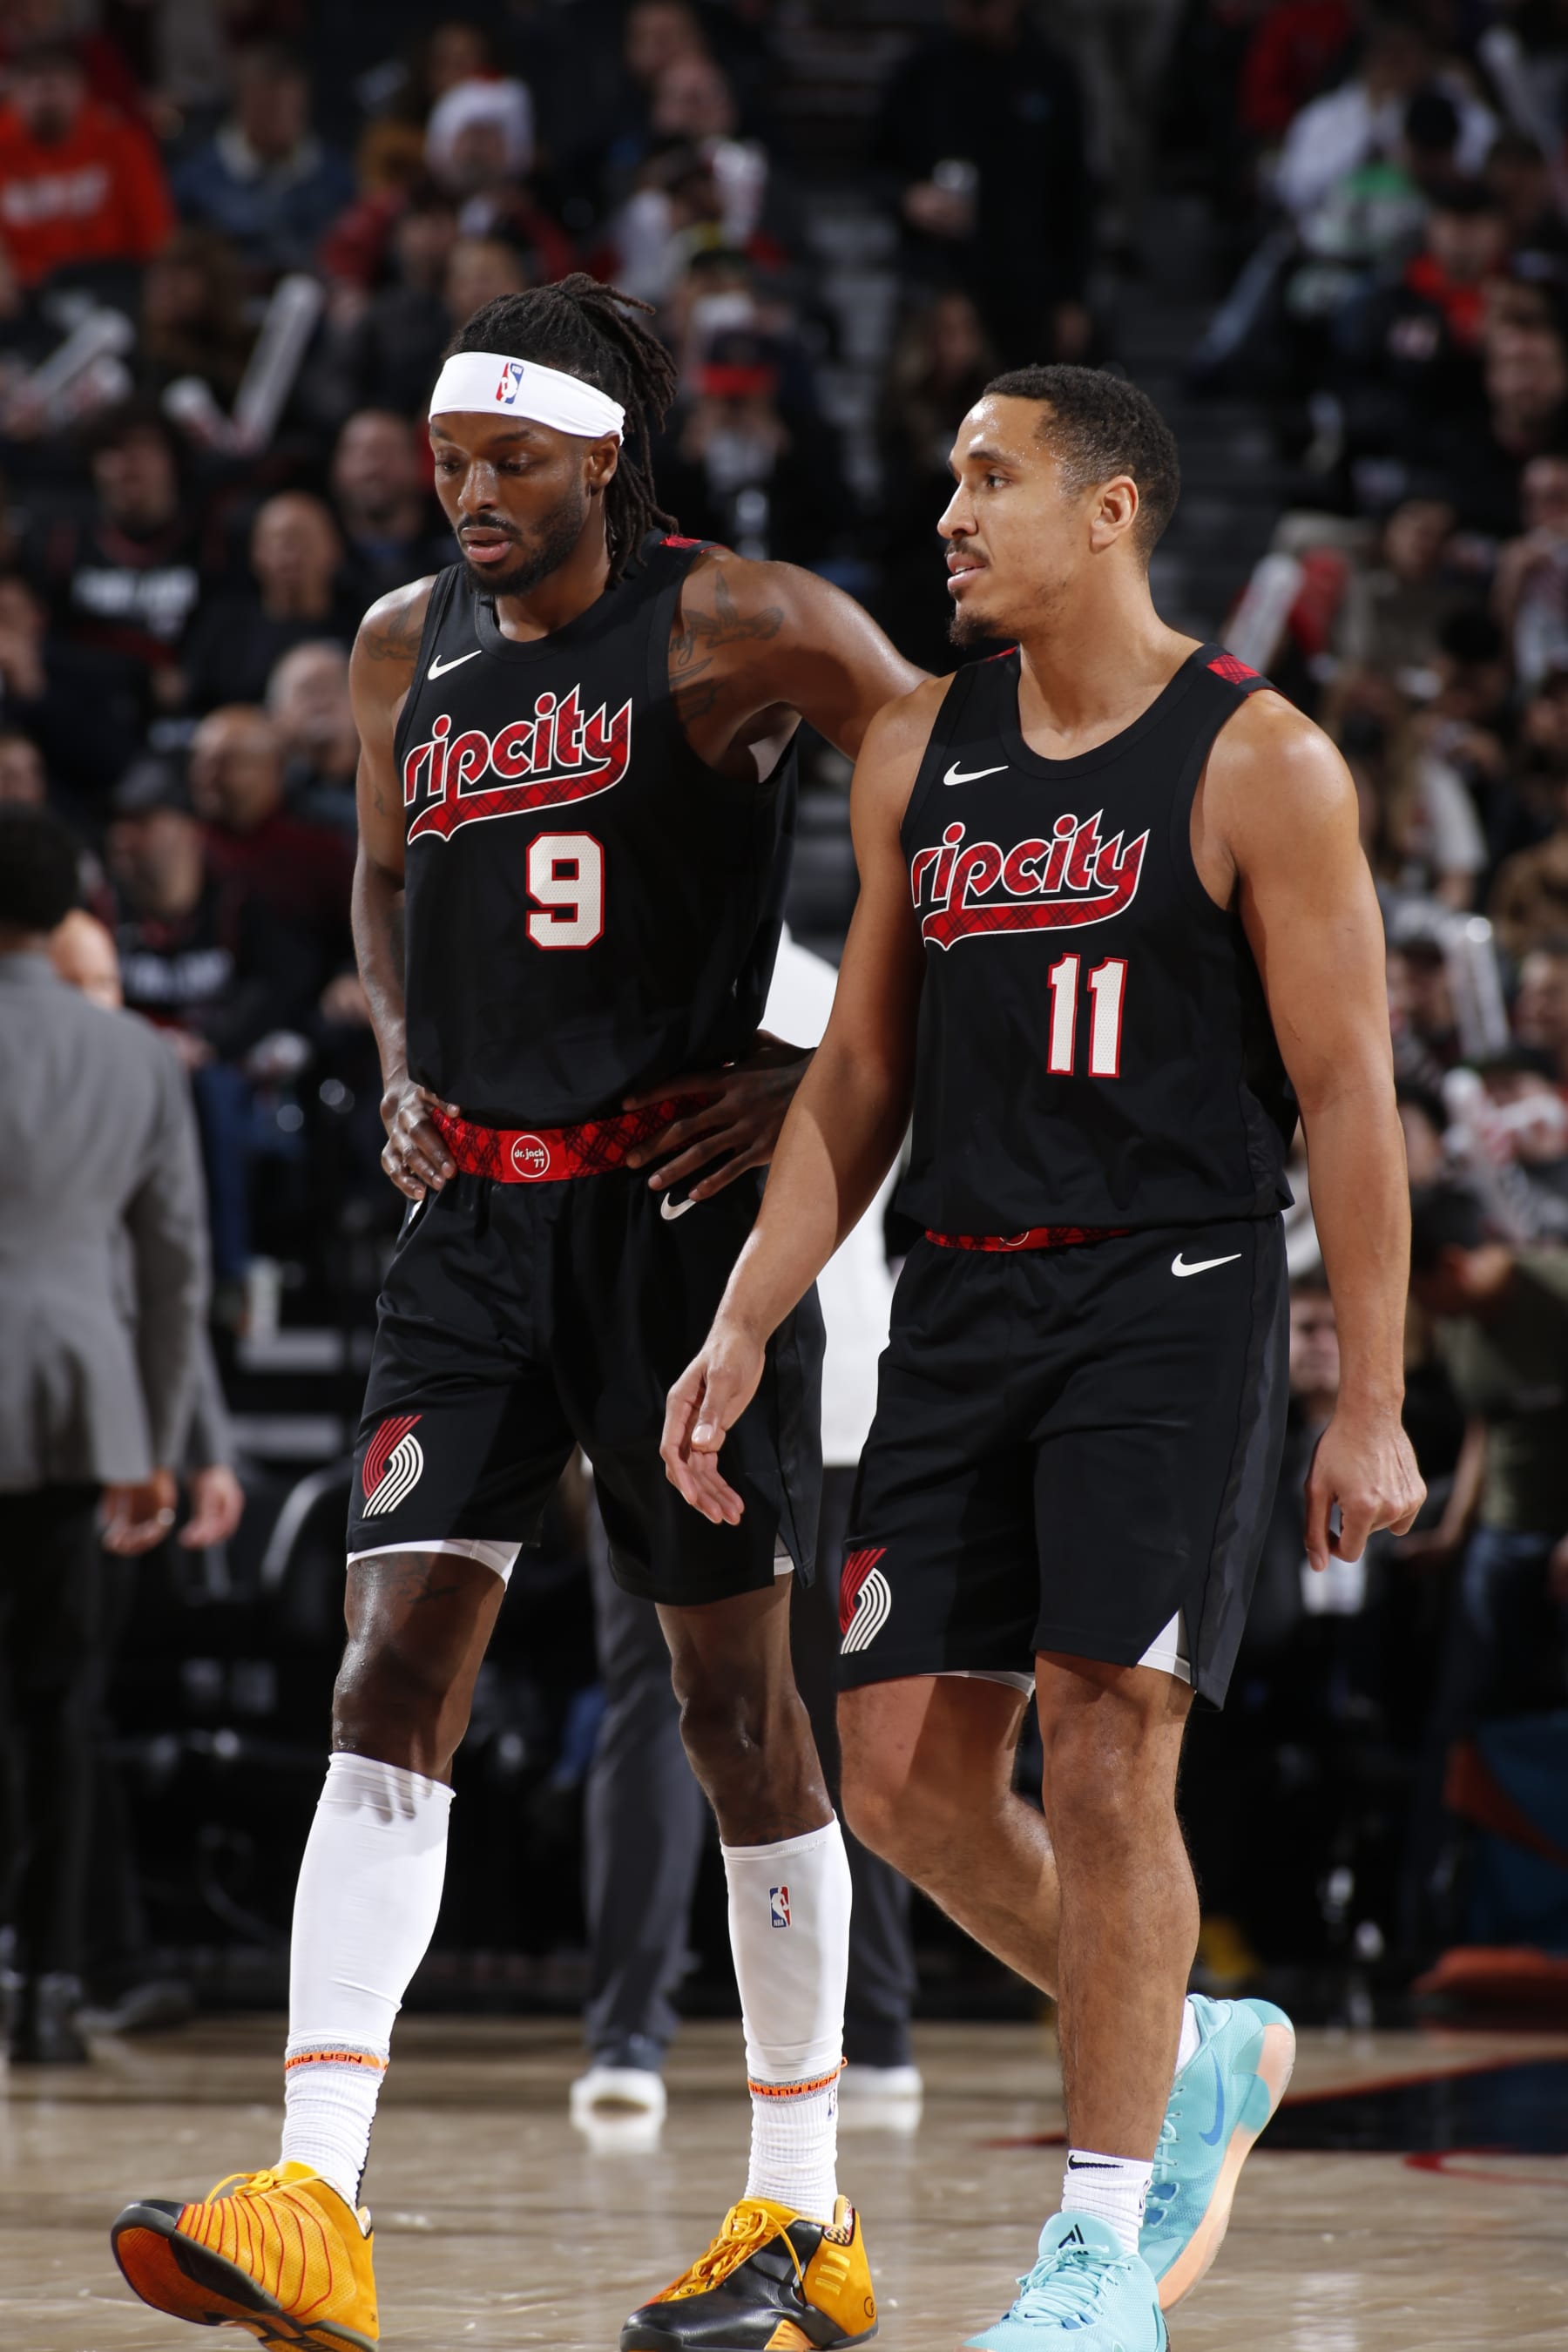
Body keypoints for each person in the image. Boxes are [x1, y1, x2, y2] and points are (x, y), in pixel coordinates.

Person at [111, 273, 923, 2352]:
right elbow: (388, 875)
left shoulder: (744, 620)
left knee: (738, 1712)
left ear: (606, 460)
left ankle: (800, 2213)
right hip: (471, 1215)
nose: (464, 492)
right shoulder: (406, 645)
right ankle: (313, 2191)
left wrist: (832, 1067)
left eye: (508, 464)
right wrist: (398, 1053)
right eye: (450, 459)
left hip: (674, 1211)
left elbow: (943, 780)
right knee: (390, 1669)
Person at [661, 364, 1425, 2348]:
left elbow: (1349, 1093)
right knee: (901, 1774)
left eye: (990, 478)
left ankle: (1095, 2250)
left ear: (1111, 512)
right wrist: (750, 1312)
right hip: (957, 1291)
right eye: (947, 479)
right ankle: (1191, 2046)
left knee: (1105, 1743)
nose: (949, 511)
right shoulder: (919, 745)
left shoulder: (1261, 761)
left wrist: (1370, 1394)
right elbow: (860, 1067)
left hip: (1169, 1286)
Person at [573, 929, 918, 2127]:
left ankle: (631, 2036)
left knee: (662, 1709)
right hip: (832, 1384)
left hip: (704, 1380)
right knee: (825, 1711)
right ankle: (873, 2034)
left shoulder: (633, 986)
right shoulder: (848, 988)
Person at [0, 809, 208, 2064]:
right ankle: (53, 1982)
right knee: (61, 1707)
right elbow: (177, 1268)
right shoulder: (133, 1057)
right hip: (86, 1409)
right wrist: (160, 1433)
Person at [170, 43, 355, 283]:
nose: (283, 122)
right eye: (269, 109)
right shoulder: (195, 182)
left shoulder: (336, 177)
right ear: (243, 105)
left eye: (293, 110)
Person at [0, 37, 172, 293]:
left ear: (82, 88)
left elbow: (156, 237)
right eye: (31, 82)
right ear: (12, 93)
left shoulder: (120, 142)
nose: (46, 95)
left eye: (57, 83)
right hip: (24, 295)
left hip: (112, 286)